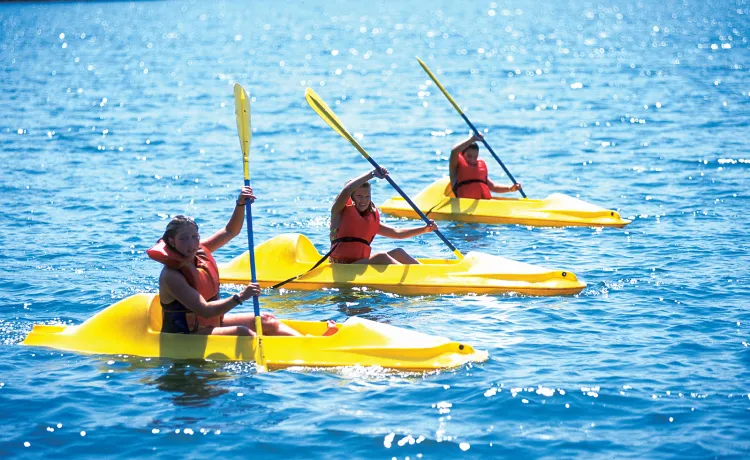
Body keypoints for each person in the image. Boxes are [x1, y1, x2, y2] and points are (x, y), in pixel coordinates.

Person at [147, 186, 303, 337]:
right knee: (242, 333)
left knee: (266, 320)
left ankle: (307, 342)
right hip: (187, 335)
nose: (191, 244)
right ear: (172, 241)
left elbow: (230, 231)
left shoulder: (200, 252)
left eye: (194, 237)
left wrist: (240, 204)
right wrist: (241, 296)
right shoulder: (171, 275)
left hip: (212, 324)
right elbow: (205, 310)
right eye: (184, 239)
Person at [329, 167, 437, 265]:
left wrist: (424, 229)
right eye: (359, 196)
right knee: (381, 257)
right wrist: (372, 174)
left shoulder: (369, 219)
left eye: (367, 196)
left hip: (359, 265)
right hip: (342, 266)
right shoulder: (339, 212)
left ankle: (425, 274)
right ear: (351, 198)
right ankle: (413, 279)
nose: (364, 200)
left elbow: (397, 233)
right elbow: (347, 190)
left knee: (399, 253)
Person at [450, 132, 522, 199]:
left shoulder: (479, 170)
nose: (472, 159)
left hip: (483, 206)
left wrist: (510, 188)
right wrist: (472, 139)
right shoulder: (455, 168)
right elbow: (454, 151)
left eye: (475, 156)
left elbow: (493, 187)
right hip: (463, 207)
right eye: (469, 156)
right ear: (462, 155)